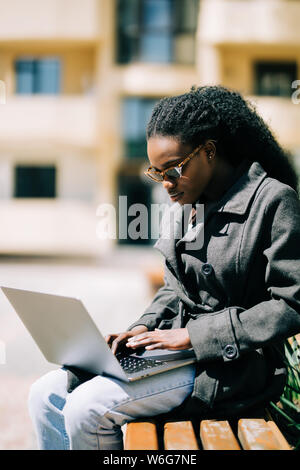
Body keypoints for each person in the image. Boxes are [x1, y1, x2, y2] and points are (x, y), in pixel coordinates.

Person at [28, 85, 300, 450]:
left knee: (87, 408)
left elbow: (291, 305)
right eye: (157, 173)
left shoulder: (273, 201)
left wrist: (195, 336)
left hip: (231, 367)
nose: (167, 185)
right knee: (44, 394)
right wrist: (142, 328)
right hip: (173, 354)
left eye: (173, 170)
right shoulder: (185, 204)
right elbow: (176, 289)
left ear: (208, 151)